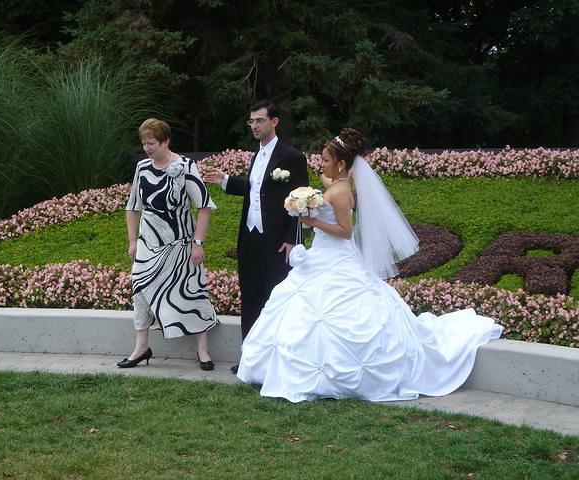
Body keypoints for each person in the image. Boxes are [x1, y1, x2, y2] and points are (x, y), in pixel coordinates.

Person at [236, 128, 503, 402]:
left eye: (326, 159)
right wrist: (306, 200)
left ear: (340, 163)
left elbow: (345, 231)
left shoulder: (340, 193)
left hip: (337, 256)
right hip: (323, 255)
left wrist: (313, 220)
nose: (322, 164)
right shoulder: (338, 184)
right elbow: (329, 181)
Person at [203, 101, 309, 373]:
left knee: (276, 298)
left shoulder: (291, 157)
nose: (254, 126)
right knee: (250, 297)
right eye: (251, 121)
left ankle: (279, 359)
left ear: (274, 122)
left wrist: (292, 239)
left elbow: (300, 200)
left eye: (259, 120)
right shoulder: (256, 156)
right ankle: (250, 358)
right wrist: (226, 180)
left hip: (277, 241)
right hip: (250, 237)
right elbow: (255, 189)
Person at [118, 118, 218, 370]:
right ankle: (141, 348)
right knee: (140, 291)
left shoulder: (186, 166)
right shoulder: (142, 167)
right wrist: (133, 241)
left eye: (151, 143)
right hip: (148, 243)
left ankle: (203, 351)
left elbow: (204, 206)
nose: (147, 148)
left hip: (180, 243)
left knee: (192, 290)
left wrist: (198, 243)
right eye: (144, 143)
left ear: (165, 141)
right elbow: (133, 208)